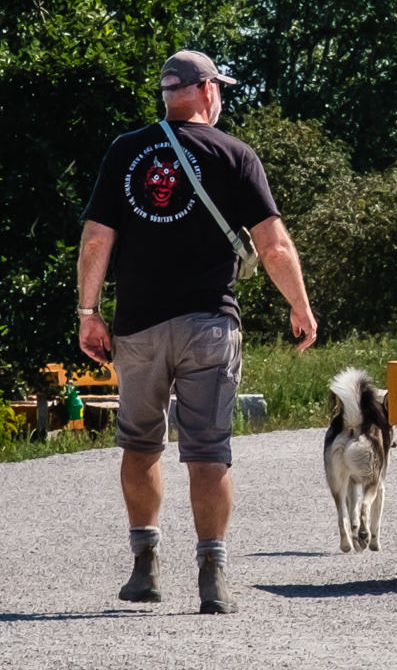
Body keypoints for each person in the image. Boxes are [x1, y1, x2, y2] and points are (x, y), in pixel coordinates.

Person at [77, 52, 317, 614]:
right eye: (221, 88)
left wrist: (89, 311)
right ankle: (213, 576)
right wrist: (300, 308)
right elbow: (274, 246)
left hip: (137, 328)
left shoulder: (124, 151)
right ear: (206, 90)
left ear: (168, 94)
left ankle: (145, 569)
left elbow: (95, 239)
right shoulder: (235, 154)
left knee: (140, 445)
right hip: (209, 323)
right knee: (208, 451)